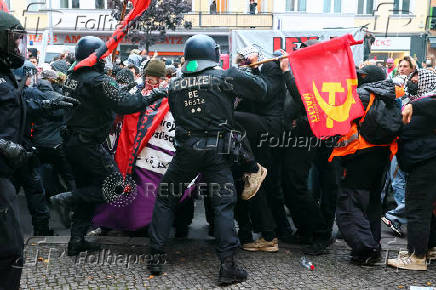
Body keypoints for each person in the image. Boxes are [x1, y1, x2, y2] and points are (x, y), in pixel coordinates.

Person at [148, 34, 268, 286]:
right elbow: (262, 90)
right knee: (223, 204)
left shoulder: (176, 82)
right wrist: (247, 70)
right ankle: (228, 266)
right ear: (212, 54)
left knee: (166, 199)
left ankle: (156, 257)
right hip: (217, 151)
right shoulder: (225, 76)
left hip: (186, 150)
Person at [50, 36, 167, 256]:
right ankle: (67, 199)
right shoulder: (98, 80)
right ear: (95, 57)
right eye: (103, 56)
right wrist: (154, 95)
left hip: (72, 143)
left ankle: (76, 240)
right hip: (88, 145)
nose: (106, 59)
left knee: (89, 188)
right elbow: (127, 104)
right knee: (117, 187)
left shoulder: (73, 76)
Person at [0, 11, 78, 289]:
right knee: (9, 250)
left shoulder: (6, 75)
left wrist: (49, 102)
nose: (19, 47)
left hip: (7, 173)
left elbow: (18, 103)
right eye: (14, 40)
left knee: (10, 250)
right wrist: (4, 145)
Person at [331, 65, 400, 266]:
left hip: (359, 153)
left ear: (367, 78)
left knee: (350, 203)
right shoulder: (390, 95)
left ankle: (365, 248)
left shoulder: (362, 94)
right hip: (382, 154)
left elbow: (340, 117)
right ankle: (373, 246)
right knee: (371, 204)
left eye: (361, 76)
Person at [387, 69, 436, 270]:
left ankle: (417, 257)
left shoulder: (429, 101)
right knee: (429, 210)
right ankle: (427, 247)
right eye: (412, 79)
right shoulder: (421, 102)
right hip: (423, 161)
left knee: (417, 209)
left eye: (417, 79)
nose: (413, 82)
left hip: (426, 162)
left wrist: (412, 106)